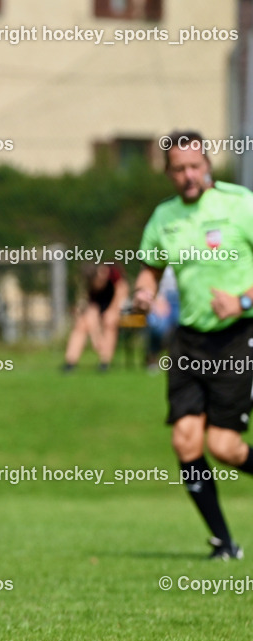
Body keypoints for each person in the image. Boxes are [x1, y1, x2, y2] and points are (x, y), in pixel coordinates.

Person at [132, 130, 253, 560]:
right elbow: (150, 268)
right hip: (188, 341)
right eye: (179, 169)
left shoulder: (241, 205)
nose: (188, 175)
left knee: (224, 447)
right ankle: (224, 542)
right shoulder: (163, 217)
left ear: (209, 165)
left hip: (240, 337)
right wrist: (144, 293)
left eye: (195, 166)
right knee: (186, 442)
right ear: (168, 173)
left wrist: (240, 300)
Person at [62, 262, 129, 372]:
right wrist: (96, 336)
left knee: (109, 321)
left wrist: (113, 310)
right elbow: (92, 309)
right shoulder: (90, 283)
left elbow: (122, 291)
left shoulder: (112, 273)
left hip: (122, 309)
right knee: (81, 324)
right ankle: (71, 361)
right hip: (100, 311)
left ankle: (105, 361)